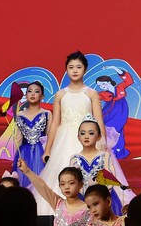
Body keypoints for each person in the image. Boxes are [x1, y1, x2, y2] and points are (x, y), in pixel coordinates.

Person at [41, 51, 107, 212]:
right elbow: (55, 123)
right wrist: (48, 149)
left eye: (79, 67)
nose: (75, 70)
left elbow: (99, 121)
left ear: (85, 69)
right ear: (66, 70)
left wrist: (102, 142)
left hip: (87, 138)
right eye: (71, 67)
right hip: (64, 140)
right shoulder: (60, 95)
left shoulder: (91, 93)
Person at [18, 163, 90, 226]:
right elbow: (43, 187)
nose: (67, 187)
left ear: (80, 185)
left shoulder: (88, 208)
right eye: (62, 184)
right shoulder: (58, 203)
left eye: (71, 183)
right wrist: (27, 171)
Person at [68, 117, 133, 214]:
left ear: (99, 137)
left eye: (91, 133)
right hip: (82, 200)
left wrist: (99, 197)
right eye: (83, 133)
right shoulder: (74, 158)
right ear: (78, 137)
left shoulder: (105, 156)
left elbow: (111, 179)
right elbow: (73, 181)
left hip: (103, 199)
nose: (86, 136)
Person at [12, 81, 49, 189]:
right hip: (24, 152)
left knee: (41, 182)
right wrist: (15, 157)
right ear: (26, 95)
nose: (32, 94)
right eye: (29, 91)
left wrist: (48, 154)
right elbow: (18, 138)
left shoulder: (47, 113)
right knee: (23, 182)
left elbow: (49, 136)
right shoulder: (19, 115)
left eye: (36, 91)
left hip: (41, 152)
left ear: (42, 96)